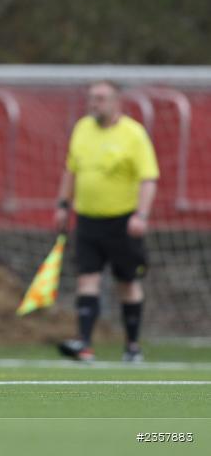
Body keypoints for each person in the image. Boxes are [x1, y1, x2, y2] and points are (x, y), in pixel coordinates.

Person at [55, 80, 159, 363]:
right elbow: (71, 170)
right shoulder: (82, 128)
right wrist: (63, 205)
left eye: (100, 98)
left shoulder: (133, 134)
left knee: (127, 282)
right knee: (86, 280)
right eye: (91, 98)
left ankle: (133, 347)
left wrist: (141, 214)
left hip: (123, 221)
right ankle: (84, 344)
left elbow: (148, 178)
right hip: (87, 219)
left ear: (116, 102)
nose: (94, 103)